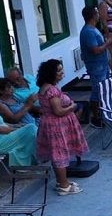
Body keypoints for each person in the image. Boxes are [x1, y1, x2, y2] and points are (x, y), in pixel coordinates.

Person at [34, 59, 87, 195]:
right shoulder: (51, 90)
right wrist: (72, 107)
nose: (62, 72)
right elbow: (58, 111)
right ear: (50, 73)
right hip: (56, 125)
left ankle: (61, 181)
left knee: (57, 154)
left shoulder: (47, 87)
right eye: (58, 70)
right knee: (60, 155)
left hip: (52, 123)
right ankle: (64, 186)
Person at [78, 5, 109, 127]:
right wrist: (107, 44)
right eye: (97, 12)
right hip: (96, 66)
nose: (99, 14)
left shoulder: (94, 29)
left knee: (103, 89)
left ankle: (103, 114)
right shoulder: (88, 32)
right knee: (97, 90)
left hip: (102, 64)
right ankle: (95, 117)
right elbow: (95, 50)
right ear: (93, 15)